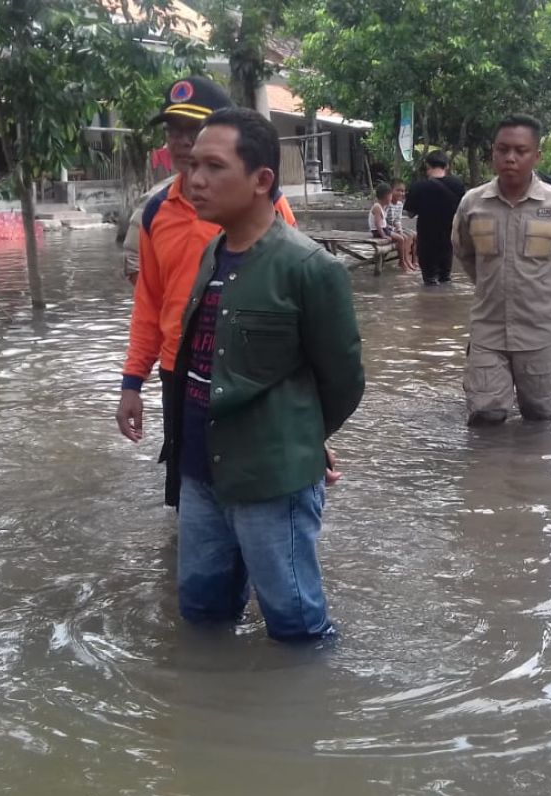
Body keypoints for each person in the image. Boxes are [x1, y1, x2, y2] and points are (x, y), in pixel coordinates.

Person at [168, 107, 365, 640]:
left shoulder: (308, 268)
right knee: (202, 615)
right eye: (192, 166)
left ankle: (305, 715)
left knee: (297, 624)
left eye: (214, 166)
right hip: (199, 471)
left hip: (270, 480)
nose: (196, 179)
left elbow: (344, 381)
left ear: (261, 181)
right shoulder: (211, 252)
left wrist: (304, 436)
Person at [115, 76, 296, 507]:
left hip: (248, 371)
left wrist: (309, 427)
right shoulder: (156, 211)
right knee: (191, 492)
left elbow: (291, 302)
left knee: (258, 490)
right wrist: (131, 382)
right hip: (181, 373)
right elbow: (149, 304)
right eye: (172, 130)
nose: (180, 141)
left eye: (191, 130)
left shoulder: (264, 204)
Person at [452, 113, 551, 426]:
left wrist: (535, 285)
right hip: (488, 332)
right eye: (502, 149)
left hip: (541, 333)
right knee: (485, 418)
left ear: (536, 156)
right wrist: (491, 282)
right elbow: (465, 254)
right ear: (493, 153)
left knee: (542, 420)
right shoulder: (472, 204)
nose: (510, 158)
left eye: (520, 151)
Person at [404, 151, 465, 285]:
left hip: (427, 241)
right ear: (447, 166)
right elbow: (462, 212)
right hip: (448, 240)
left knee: (429, 281)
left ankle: (430, 304)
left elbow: (410, 214)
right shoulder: (457, 185)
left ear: (427, 165)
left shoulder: (418, 186)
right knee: (446, 279)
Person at [369, 182, 415, 271]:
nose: (391, 198)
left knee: (404, 237)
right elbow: (377, 224)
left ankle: (406, 260)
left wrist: (393, 229)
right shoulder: (377, 207)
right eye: (390, 196)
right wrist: (383, 235)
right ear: (386, 196)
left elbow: (385, 223)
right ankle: (402, 261)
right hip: (379, 231)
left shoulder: (383, 206)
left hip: (384, 229)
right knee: (401, 239)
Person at [386, 179, 417, 271]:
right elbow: (389, 221)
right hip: (388, 228)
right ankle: (404, 261)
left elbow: (397, 219)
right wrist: (398, 229)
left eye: (403, 191)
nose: (401, 193)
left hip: (395, 227)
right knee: (405, 237)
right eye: (398, 190)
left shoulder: (400, 204)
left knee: (415, 235)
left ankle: (414, 261)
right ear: (390, 191)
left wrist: (399, 228)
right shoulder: (388, 204)